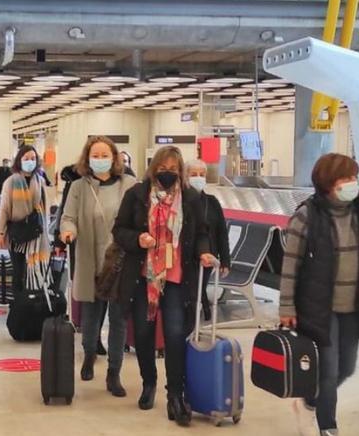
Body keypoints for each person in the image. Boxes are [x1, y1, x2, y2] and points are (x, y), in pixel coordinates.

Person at [279, 153, 359, 436]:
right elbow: (291, 264)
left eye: (354, 177)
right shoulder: (307, 215)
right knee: (327, 371)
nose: (352, 183)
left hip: (354, 304)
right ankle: (329, 427)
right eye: (346, 178)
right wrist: (286, 307)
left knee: (346, 368)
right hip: (318, 307)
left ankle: (310, 402)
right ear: (328, 183)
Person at [112, 145, 217, 426]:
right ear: (153, 167)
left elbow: (202, 233)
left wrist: (204, 252)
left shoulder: (191, 198)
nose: (168, 174)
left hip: (176, 279)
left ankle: (175, 393)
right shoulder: (136, 195)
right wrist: (138, 239)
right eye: (163, 168)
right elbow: (119, 230)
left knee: (174, 335)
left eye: (173, 169)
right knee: (144, 335)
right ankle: (149, 383)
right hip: (143, 278)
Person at [58, 136, 136, 397]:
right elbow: (68, 217)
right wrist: (67, 231)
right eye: (96, 155)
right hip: (91, 258)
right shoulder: (79, 186)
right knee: (91, 317)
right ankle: (89, 354)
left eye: (105, 155)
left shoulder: (129, 184)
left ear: (115, 158)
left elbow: (138, 219)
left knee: (118, 319)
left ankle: (114, 373)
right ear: (87, 158)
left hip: (120, 262)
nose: (100, 160)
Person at [0, 146, 53, 297]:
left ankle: (31, 300)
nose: (30, 161)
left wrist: (46, 232)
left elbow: (44, 208)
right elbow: (5, 209)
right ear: (19, 161)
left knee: (34, 269)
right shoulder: (11, 182)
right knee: (18, 271)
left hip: (36, 233)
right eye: (26, 158)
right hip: (18, 234)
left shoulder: (40, 181)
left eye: (33, 158)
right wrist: (0, 233)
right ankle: (18, 303)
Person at [184, 159, 232, 321]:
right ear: (185, 176)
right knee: (186, 296)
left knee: (196, 293)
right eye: (193, 174)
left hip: (207, 258)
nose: (198, 178)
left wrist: (225, 260)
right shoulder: (180, 200)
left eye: (201, 175)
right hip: (185, 257)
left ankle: (193, 325)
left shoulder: (212, 202)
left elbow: (221, 232)